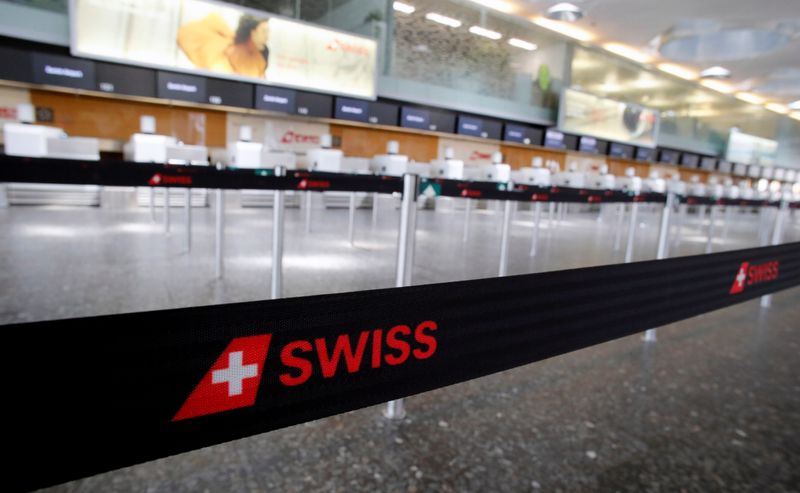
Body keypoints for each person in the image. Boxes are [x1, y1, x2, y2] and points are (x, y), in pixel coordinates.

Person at [177, 13, 269, 78]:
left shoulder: (259, 59)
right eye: (264, 32)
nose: (267, 37)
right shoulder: (223, 52)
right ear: (252, 32)